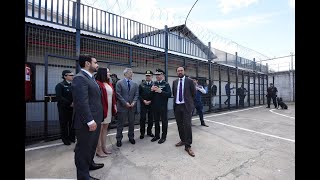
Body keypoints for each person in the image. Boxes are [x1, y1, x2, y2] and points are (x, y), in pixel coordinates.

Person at [72, 54, 104, 180]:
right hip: (87, 122)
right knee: (83, 149)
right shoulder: (80, 78)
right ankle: (83, 176)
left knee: (91, 145)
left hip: (95, 119)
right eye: (95, 62)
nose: (97, 65)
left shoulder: (90, 78)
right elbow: (81, 102)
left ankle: (90, 164)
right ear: (87, 63)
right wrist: (90, 120)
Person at [172, 66, 196, 157]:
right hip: (177, 106)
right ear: (176, 72)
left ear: (184, 71)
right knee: (179, 125)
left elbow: (193, 94)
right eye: (178, 71)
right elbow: (174, 94)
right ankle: (183, 140)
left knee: (187, 125)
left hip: (186, 107)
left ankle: (188, 145)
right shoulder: (174, 82)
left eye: (181, 70)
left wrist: (189, 104)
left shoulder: (190, 81)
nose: (180, 72)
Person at [95, 67, 117, 158]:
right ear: (103, 73)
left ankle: (104, 147)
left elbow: (113, 97)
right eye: (108, 72)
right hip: (101, 110)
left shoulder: (109, 84)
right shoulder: (97, 83)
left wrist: (114, 106)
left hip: (108, 110)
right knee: (99, 131)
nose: (109, 73)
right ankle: (98, 150)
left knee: (105, 130)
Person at [115, 68, 139, 147]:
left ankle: (131, 137)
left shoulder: (134, 84)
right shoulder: (119, 83)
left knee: (131, 123)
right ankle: (119, 139)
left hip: (132, 107)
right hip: (122, 107)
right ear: (125, 74)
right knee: (120, 124)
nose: (131, 74)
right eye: (130, 72)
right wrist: (125, 103)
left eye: (132, 72)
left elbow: (136, 94)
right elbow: (118, 94)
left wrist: (134, 102)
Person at [150, 69, 171, 144]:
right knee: (156, 121)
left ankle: (163, 137)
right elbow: (152, 96)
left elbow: (169, 94)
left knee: (164, 122)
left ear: (162, 75)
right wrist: (151, 90)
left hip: (163, 106)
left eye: (159, 75)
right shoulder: (154, 83)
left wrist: (161, 91)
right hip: (155, 106)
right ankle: (157, 135)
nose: (157, 76)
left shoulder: (166, 84)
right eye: (156, 75)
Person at [55, 70, 75, 145]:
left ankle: (72, 138)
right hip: (63, 108)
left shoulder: (73, 85)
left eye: (72, 75)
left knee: (71, 123)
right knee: (64, 124)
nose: (72, 76)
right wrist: (70, 103)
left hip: (72, 108)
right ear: (65, 76)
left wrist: (74, 103)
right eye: (70, 75)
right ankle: (65, 139)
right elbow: (59, 97)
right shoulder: (60, 85)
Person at [139, 70, 155, 139]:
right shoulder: (141, 84)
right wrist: (143, 100)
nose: (148, 77)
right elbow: (139, 94)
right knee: (142, 118)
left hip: (151, 104)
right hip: (143, 104)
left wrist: (151, 101)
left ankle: (149, 132)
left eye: (149, 76)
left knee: (151, 119)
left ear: (152, 76)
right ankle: (142, 133)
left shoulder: (154, 85)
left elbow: (155, 95)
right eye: (147, 76)